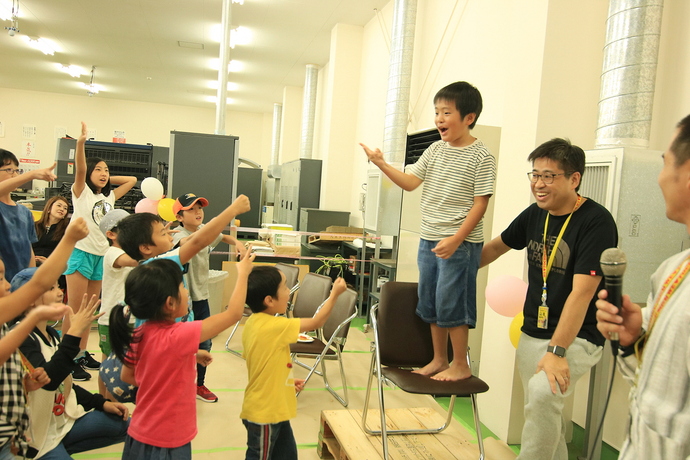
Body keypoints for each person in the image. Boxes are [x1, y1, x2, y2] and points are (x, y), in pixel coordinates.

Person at [480, 138, 618, 460]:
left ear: (574, 179)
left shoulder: (596, 222)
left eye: (549, 176)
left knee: (543, 394)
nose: (538, 184)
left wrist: (557, 350)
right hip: (533, 329)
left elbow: (582, 292)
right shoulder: (534, 215)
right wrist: (451, 266)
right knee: (543, 411)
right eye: (535, 175)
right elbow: (495, 247)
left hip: (577, 335)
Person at [360, 81, 496, 381]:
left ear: (468, 118)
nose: (439, 119)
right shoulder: (435, 150)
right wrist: (381, 163)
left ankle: (460, 363)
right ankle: (438, 359)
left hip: (459, 242)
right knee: (432, 299)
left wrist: (457, 239)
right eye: (437, 112)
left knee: (454, 301)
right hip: (430, 236)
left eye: (446, 112)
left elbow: (480, 204)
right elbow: (410, 183)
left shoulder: (481, 156)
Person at [595, 114, 690, 459]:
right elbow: (649, 383)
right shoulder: (672, 270)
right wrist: (633, 339)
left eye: (665, 162)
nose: (660, 176)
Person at [109, 249, 256, 460]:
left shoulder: (139, 333)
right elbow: (233, 314)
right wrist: (242, 273)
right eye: (182, 286)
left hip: (139, 432)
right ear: (170, 303)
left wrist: (187, 357)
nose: (186, 291)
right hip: (168, 441)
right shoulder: (179, 334)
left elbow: (128, 375)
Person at [11, 269, 129, 459]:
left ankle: (63, 449)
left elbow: (64, 385)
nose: (60, 292)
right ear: (30, 298)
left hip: (61, 422)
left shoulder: (50, 334)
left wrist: (101, 403)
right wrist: (73, 334)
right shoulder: (21, 336)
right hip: (36, 434)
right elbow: (49, 381)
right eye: (51, 288)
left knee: (122, 423)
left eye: (59, 286)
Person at [0, 218, 88, 459]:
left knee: (116, 423)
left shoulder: (43, 332)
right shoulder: (20, 333)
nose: (7, 285)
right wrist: (70, 239)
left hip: (17, 431)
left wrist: (27, 385)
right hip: (20, 437)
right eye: (0, 278)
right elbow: (51, 381)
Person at [241, 267, 347, 460]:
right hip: (264, 414)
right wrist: (334, 295)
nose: (289, 291)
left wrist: (286, 383)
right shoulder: (275, 326)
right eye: (284, 287)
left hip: (276, 409)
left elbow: (262, 364)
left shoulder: (252, 323)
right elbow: (316, 323)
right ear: (269, 300)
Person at [63, 122, 136, 372]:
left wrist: (104, 179)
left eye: (106, 170)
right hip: (81, 253)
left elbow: (132, 179)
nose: (104, 173)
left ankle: (81, 354)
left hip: (100, 257)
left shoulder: (108, 197)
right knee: (75, 310)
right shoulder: (81, 192)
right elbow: (81, 171)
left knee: (90, 310)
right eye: (99, 169)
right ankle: (68, 356)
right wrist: (81, 144)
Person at [172, 192, 246, 403]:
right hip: (182, 302)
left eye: (200, 208)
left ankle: (199, 384)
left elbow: (223, 236)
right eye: (192, 209)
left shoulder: (205, 229)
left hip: (201, 298)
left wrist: (238, 244)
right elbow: (192, 241)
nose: (198, 212)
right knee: (182, 346)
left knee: (204, 344)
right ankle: (179, 384)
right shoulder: (176, 234)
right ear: (179, 216)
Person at [0, 148, 58, 282]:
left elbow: (29, 251)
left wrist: (31, 279)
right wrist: (31, 174)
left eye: (17, 170)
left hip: (20, 281)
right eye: (9, 170)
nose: (15, 175)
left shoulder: (24, 212)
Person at [97, 208, 137, 397]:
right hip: (112, 321)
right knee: (109, 364)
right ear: (111, 234)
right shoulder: (112, 252)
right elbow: (133, 261)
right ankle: (106, 402)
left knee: (122, 363)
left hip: (129, 318)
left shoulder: (126, 250)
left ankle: (113, 402)